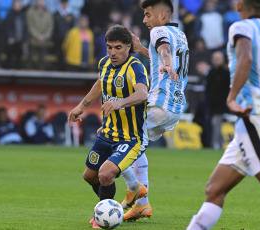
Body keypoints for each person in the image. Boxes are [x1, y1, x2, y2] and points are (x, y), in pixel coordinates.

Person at [187, 0, 260, 229]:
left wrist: (231, 97)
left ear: (238, 6)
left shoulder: (241, 27)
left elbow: (245, 58)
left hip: (253, 116)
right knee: (214, 189)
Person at [67, 25, 149, 229]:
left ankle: (104, 216)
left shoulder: (135, 66)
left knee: (105, 174)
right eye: (109, 47)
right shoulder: (104, 63)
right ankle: (109, 209)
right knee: (89, 176)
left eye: (118, 47)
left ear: (129, 47)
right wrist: (81, 107)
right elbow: (100, 84)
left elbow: (143, 94)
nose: (113, 52)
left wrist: (119, 102)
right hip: (107, 133)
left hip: (129, 138)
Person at [120, 0, 189, 221]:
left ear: (161, 15)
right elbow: (160, 53)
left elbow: (164, 51)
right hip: (175, 108)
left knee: (115, 139)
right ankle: (142, 206)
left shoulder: (159, 31)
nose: (144, 20)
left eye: (148, 15)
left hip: (159, 103)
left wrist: (166, 61)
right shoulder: (180, 34)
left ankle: (134, 188)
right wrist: (141, 49)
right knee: (138, 144)